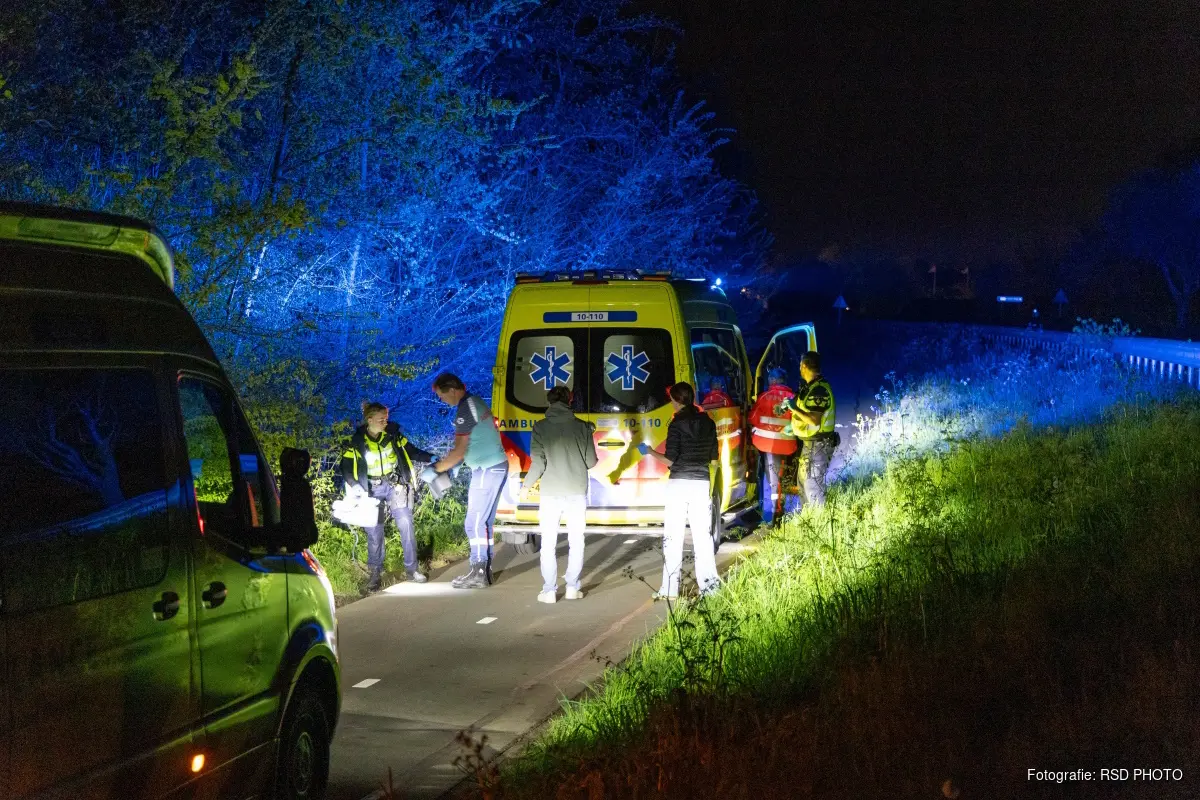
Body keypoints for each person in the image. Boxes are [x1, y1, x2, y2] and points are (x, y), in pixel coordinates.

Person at [424, 373, 509, 589]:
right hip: (494, 466)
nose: (442, 400)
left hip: (486, 469)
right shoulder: (474, 402)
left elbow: (459, 450)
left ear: (452, 390)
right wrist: (452, 463)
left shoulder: (465, 408)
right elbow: (470, 445)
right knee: (485, 522)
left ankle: (478, 572)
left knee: (473, 523)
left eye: (442, 396)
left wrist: (436, 469)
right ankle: (484, 570)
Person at [341, 401, 435, 591]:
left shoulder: (393, 435)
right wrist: (355, 486)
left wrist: (431, 458)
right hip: (371, 490)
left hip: (395, 486)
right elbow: (346, 468)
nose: (385, 422)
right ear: (369, 420)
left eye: (386, 418)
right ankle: (375, 575)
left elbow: (412, 451)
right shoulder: (357, 442)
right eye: (381, 419)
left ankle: (412, 571)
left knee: (406, 524)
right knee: (374, 532)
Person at [640, 381, 720, 598]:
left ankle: (669, 590)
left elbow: (669, 460)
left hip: (679, 484)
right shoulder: (708, 422)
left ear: (676, 400)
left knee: (673, 536)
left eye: (672, 400)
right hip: (701, 483)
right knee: (703, 536)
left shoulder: (676, 424)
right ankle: (710, 588)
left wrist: (649, 451)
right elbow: (714, 458)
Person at [522, 386, 598, 604]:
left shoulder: (540, 427)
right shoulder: (582, 427)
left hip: (550, 492)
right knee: (576, 540)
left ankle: (549, 591)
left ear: (549, 402)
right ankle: (573, 587)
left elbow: (538, 463)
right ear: (569, 400)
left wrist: (526, 486)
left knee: (548, 542)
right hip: (576, 490)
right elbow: (591, 462)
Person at [779, 351, 838, 508]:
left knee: (813, 486)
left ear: (804, 366)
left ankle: (820, 520)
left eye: (800, 365)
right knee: (803, 484)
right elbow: (803, 415)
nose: (799, 368)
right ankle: (809, 519)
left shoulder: (819, 390)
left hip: (819, 445)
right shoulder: (809, 388)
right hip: (810, 445)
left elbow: (814, 420)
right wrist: (793, 425)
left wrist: (794, 408)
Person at [749, 367, 797, 524]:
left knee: (773, 480)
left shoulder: (764, 396)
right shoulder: (792, 397)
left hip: (768, 444)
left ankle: (776, 512)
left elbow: (753, 418)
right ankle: (779, 508)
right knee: (782, 477)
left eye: (770, 379)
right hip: (788, 445)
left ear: (774, 380)